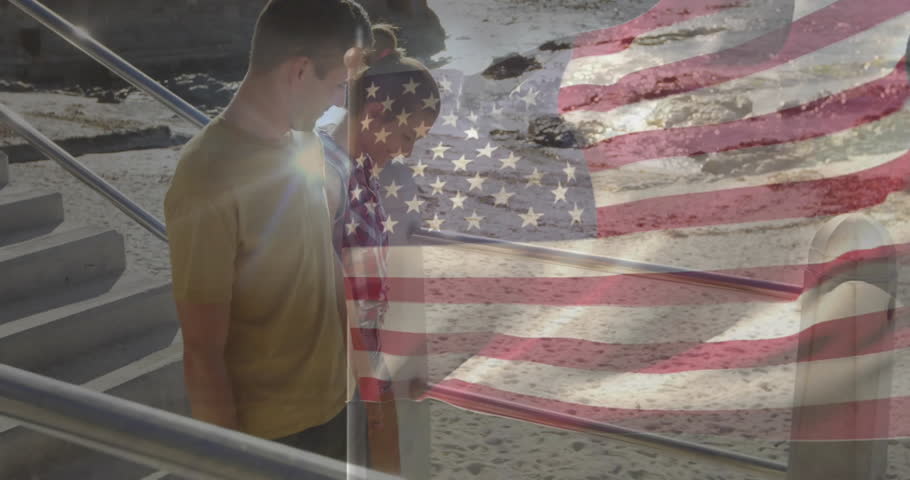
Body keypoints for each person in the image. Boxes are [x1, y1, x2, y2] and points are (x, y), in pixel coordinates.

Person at [163, 0, 373, 463]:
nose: (341, 100)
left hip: (339, 408)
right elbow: (202, 351)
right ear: (299, 70)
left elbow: (321, 263)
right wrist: (229, 462)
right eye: (338, 84)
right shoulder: (206, 179)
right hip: (274, 438)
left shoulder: (307, 144)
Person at [317, 24, 441, 474]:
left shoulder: (359, 172)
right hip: (337, 380)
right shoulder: (326, 176)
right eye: (407, 136)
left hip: (364, 372)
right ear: (373, 113)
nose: (407, 152)